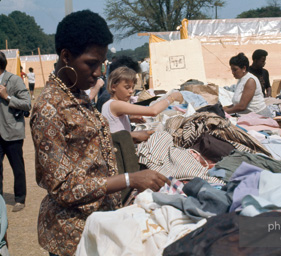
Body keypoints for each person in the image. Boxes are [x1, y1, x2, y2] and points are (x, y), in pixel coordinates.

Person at [30, 10, 170, 256]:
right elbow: (64, 188)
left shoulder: (78, 95)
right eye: (91, 63)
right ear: (66, 56)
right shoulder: (49, 108)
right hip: (72, 234)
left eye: (102, 64)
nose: (98, 73)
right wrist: (130, 180)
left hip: (98, 223)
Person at [102, 66, 183, 142]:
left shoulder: (109, 104)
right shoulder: (115, 104)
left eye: (132, 88)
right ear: (113, 87)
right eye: (127, 87)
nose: (131, 91)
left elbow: (114, 124)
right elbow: (153, 111)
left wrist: (129, 120)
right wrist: (171, 97)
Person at [0, 51, 31, 213]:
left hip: (12, 132)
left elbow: (27, 104)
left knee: (17, 167)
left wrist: (7, 97)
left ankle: (20, 199)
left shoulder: (14, 80)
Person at [223, 52, 272, 117]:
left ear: (244, 68)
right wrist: (225, 108)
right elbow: (238, 103)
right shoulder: (241, 80)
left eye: (235, 70)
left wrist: (224, 111)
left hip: (259, 116)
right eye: (232, 70)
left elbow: (242, 106)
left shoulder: (250, 81)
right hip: (249, 116)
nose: (233, 72)